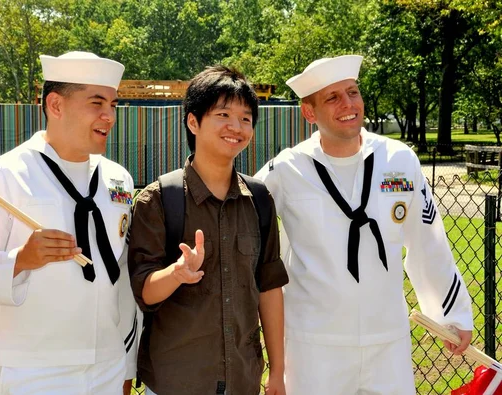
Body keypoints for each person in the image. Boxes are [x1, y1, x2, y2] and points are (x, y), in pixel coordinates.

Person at [255, 54, 474, 395]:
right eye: (333, 97)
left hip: (388, 341)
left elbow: (427, 239)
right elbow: (240, 214)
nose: (348, 104)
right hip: (314, 346)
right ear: (309, 112)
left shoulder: (399, 160)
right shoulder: (286, 169)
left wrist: (454, 314)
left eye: (353, 92)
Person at [0, 51, 139, 395]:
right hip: (32, 371)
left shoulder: (119, 179)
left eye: (113, 105)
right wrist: (20, 260)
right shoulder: (5, 177)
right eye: (97, 103)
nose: (109, 116)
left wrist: (126, 364)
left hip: (108, 368)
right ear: (55, 105)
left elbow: (122, 275)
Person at [128, 66, 289, 395]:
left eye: (246, 118)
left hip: (243, 381)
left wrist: (278, 371)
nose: (237, 127)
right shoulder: (159, 200)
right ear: (193, 121)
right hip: (175, 383)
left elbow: (269, 289)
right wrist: (176, 273)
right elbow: (144, 290)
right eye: (224, 114)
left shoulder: (258, 200)